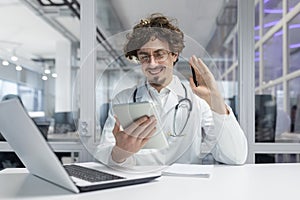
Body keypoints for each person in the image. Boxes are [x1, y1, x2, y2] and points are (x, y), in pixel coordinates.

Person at [96, 13, 248, 167]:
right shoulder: (124, 99)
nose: (153, 64)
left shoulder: (197, 99)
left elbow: (235, 157)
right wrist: (120, 152)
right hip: (140, 186)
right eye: (145, 57)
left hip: (184, 187)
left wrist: (216, 100)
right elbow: (104, 153)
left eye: (159, 54)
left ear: (174, 55)